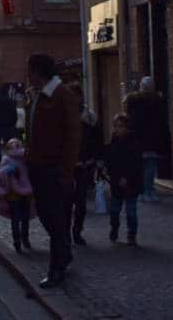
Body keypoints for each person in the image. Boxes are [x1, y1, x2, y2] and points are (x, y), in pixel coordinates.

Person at [25, 54, 80, 289]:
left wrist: (66, 170)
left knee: (56, 220)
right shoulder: (38, 95)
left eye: (30, 71)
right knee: (47, 216)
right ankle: (64, 252)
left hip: (54, 168)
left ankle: (56, 268)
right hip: (38, 167)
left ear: (39, 72)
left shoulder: (62, 95)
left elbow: (73, 135)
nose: (27, 76)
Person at [65, 86, 102, 246]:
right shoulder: (62, 116)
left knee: (80, 202)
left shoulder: (89, 117)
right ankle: (65, 233)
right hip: (66, 165)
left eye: (77, 96)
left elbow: (96, 139)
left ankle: (76, 231)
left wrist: (96, 158)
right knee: (65, 202)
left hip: (84, 164)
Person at [125, 76, 170, 202]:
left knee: (143, 166)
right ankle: (148, 191)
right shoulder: (156, 100)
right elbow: (161, 120)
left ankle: (143, 191)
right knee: (149, 165)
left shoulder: (133, 100)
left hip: (140, 137)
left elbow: (131, 119)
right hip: (151, 137)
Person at [0, 138, 35, 253]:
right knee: (22, 218)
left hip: (14, 195)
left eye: (17, 145)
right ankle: (21, 240)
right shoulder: (24, 159)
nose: (16, 148)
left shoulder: (11, 159)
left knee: (19, 218)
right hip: (17, 194)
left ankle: (20, 240)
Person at [104, 113, 142, 246]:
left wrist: (127, 178)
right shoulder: (112, 144)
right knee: (114, 211)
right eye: (116, 126)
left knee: (131, 211)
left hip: (132, 183)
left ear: (127, 128)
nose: (117, 129)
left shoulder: (135, 144)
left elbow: (136, 164)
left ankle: (132, 234)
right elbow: (110, 163)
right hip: (116, 184)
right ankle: (114, 228)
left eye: (121, 126)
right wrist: (113, 176)